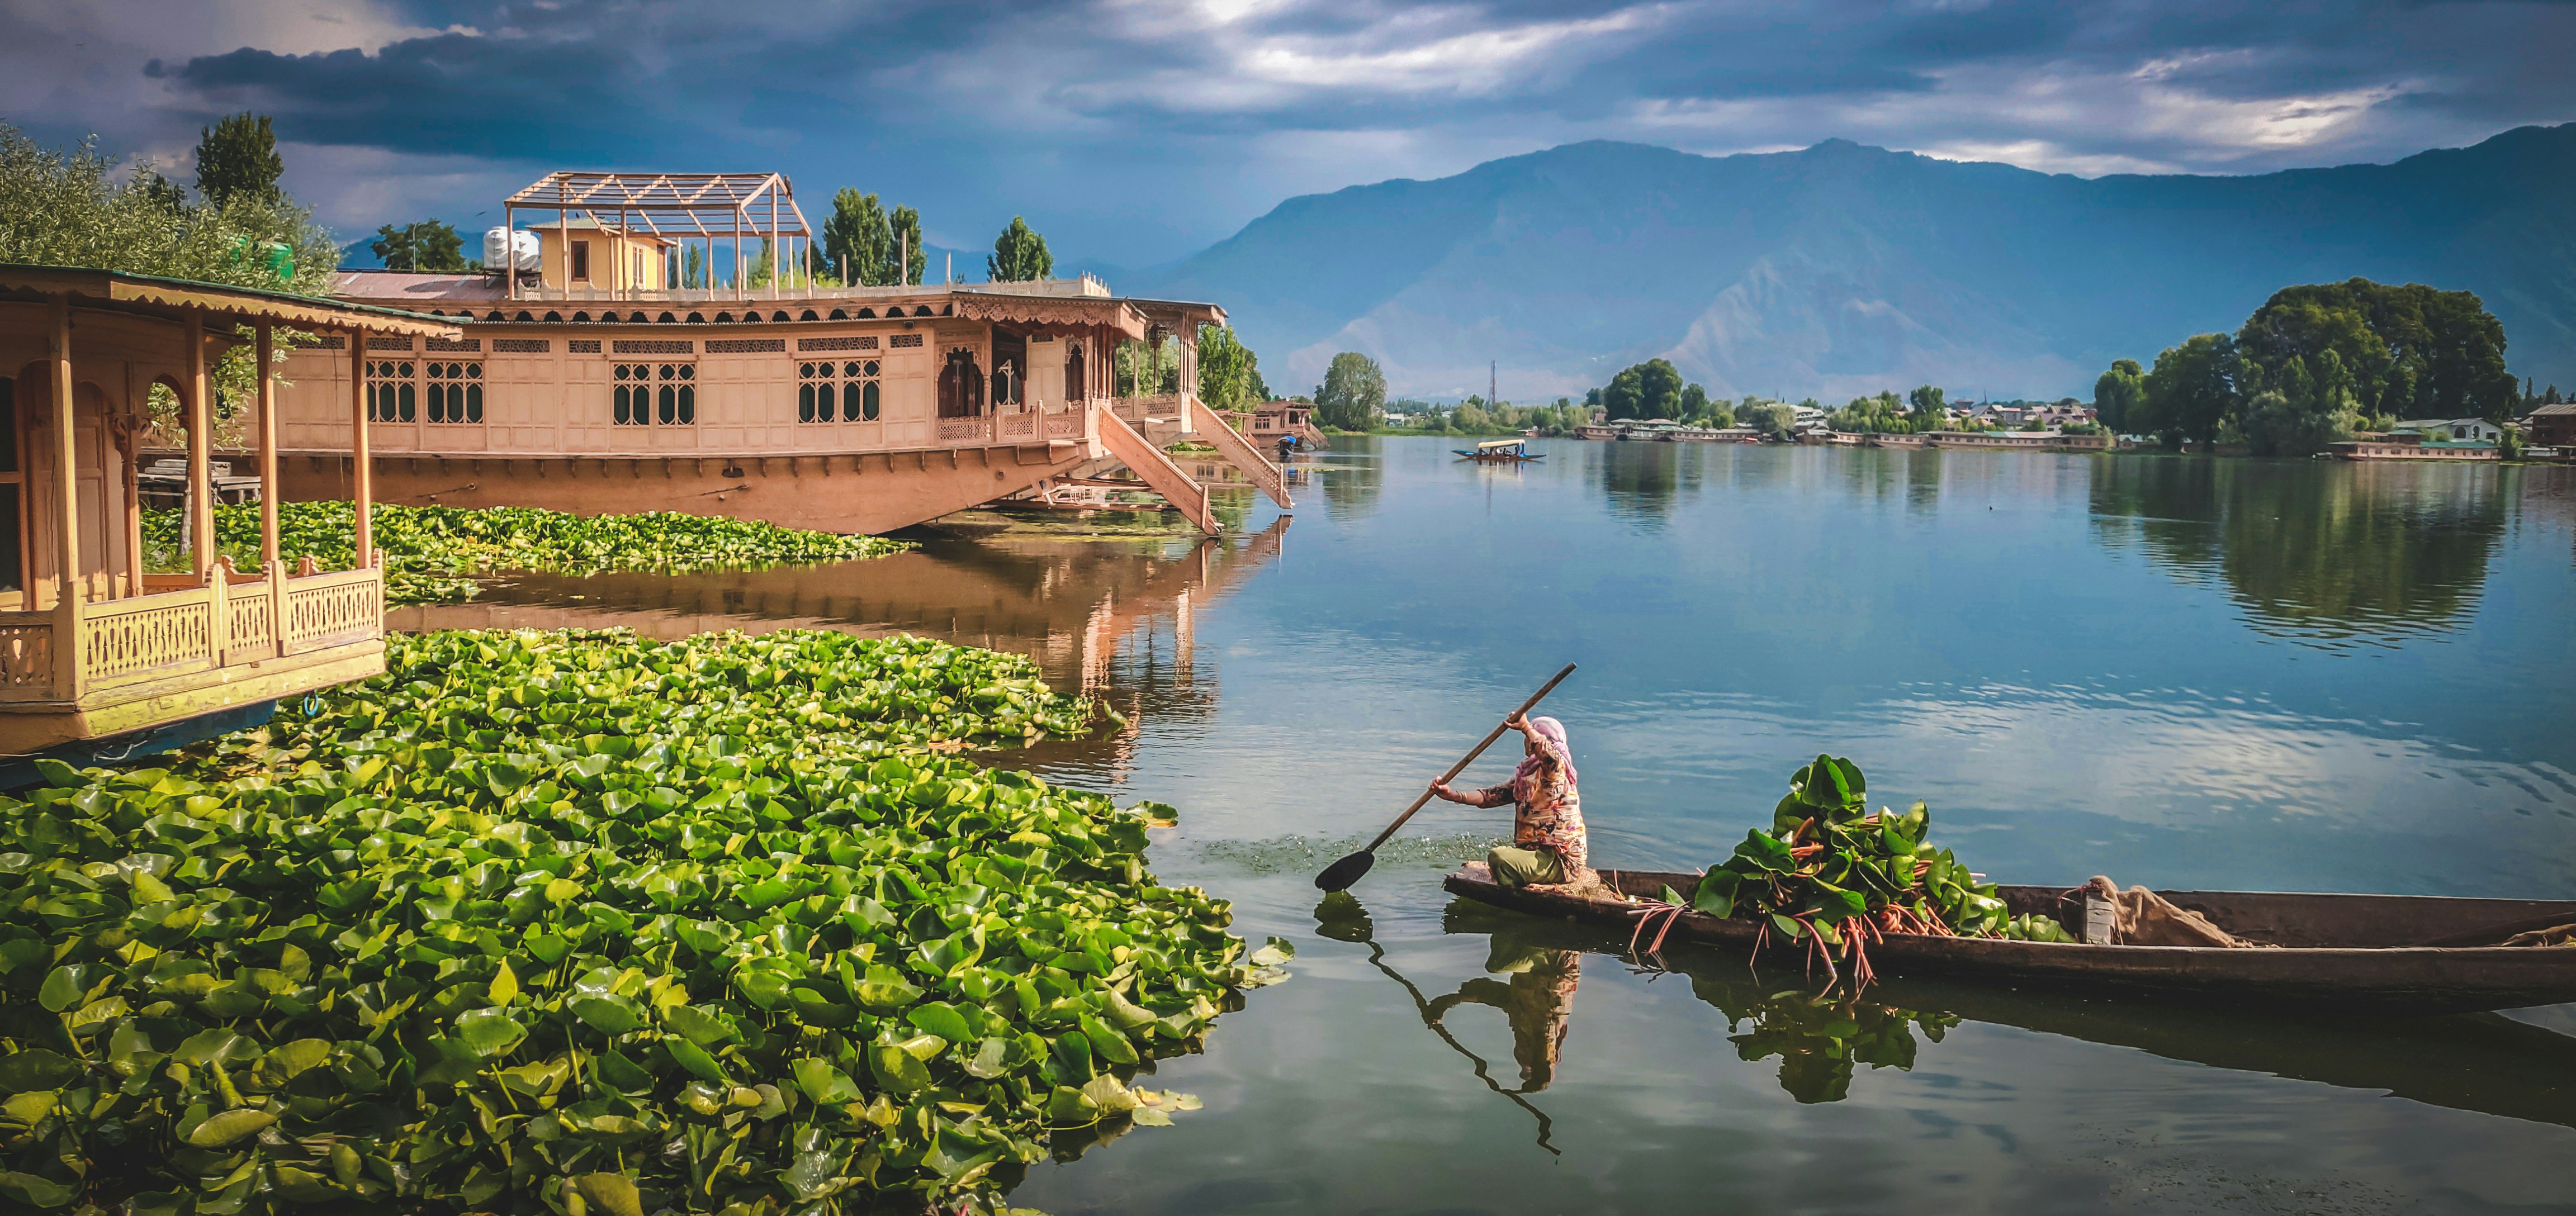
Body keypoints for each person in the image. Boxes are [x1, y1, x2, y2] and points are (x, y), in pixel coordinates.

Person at [1431, 712, 1589, 888]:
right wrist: (1453, 795)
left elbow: (1550, 756)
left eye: (1529, 738)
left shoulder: (1556, 772)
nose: (1526, 740)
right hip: (1536, 853)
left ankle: (1519, 888)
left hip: (1560, 861)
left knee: (1498, 857)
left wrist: (1526, 727)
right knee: (1502, 857)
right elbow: (1490, 797)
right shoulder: (1527, 775)